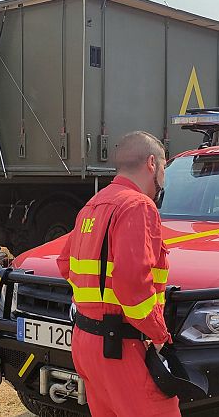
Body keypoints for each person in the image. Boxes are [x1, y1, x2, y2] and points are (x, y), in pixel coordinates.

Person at [56, 131, 180, 417]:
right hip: (122, 346)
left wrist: (96, 301)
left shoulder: (94, 205)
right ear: (152, 164)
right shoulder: (138, 206)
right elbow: (132, 284)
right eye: (164, 166)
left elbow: (65, 263)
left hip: (87, 342)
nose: (164, 175)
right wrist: (158, 334)